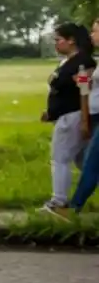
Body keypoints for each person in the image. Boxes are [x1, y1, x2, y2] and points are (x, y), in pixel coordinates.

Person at [38, 22, 97, 215]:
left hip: (72, 116)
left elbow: (84, 90)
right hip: (64, 115)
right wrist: (51, 112)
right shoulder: (68, 61)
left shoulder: (81, 63)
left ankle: (59, 201)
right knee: (83, 162)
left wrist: (84, 119)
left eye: (58, 40)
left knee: (60, 158)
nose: (56, 44)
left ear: (71, 41)